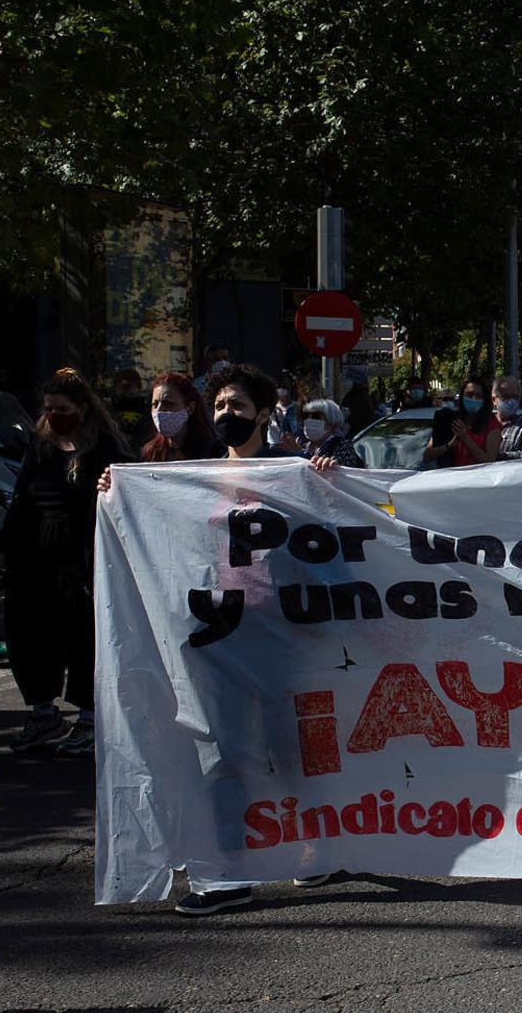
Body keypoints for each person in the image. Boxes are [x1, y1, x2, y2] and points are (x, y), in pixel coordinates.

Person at [99, 363, 341, 913]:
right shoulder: (195, 474)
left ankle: (322, 847)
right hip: (218, 634)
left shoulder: (293, 472)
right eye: (221, 406)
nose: (228, 414)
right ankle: (229, 869)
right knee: (223, 749)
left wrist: (327, 483)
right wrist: (117, 494)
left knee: (291, 750)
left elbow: (332, 539)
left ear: (262, 412)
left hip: (283, 638)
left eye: (238, 405)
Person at [0, 369, 127, 755]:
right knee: (29, 635)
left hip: (82, 560)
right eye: (50, 408)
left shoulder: (102, 449)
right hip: (36, 558)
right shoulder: (40, 446)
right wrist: (1, 547)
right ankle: (43, 713)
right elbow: (22, 498)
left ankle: (89, 718)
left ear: (83, 409)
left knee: (83, 640)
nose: (55, 415)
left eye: (63, 408)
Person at [141, 372, 223, 462]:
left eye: (168, 403)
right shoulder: (151, 453)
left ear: (190, 408)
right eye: (155, 404)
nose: (159, 410)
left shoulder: (212, 451)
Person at [425, 378, 501, 468]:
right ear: (462, 396)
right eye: (470, 394)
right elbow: (427, 456)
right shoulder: (449, 420)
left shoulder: (491, 424)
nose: (474, 398)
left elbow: (490, 463)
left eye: (479, 396)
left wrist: (465, 438)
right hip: (448, 477)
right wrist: (449, 445)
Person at [298, 398, 365, 468]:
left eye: (316, 416)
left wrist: (330, 464)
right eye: (306, 416)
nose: (309, 421)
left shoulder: (343, 445)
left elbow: (341, 468)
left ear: (332, 423)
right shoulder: (305, 446)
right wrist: (297, 454)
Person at [492, 376, 522, 460]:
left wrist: (497, 456)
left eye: (515, 397)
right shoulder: (486, 423)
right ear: (494, 400)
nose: (511, 401)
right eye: (505, 396)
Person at [110, 368, 154, 453]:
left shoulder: (145, 406)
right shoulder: (111, 406)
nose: (129, 390)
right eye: (125, 386)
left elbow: (148, 432)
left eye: (132, 385)